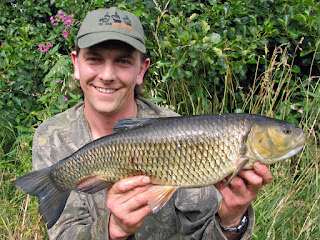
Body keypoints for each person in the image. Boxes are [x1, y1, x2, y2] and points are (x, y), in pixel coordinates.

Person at [32, 7, 272, 240]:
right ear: (76, 64)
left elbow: (203, 233)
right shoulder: (52, 137)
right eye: (94, 59)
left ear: (141, 70)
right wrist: (113, 229)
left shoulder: (186, 136)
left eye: (123, 62)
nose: (107, 75)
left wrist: (231, 218)